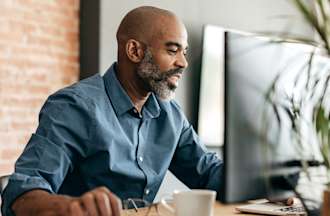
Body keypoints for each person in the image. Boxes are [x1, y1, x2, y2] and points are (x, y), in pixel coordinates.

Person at [1, 6, 223, 216]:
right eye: (173, 50)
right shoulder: (74, 107)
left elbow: (209, 174)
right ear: (134, 51)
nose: (183, 62)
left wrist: (254, 173)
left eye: (184, 52)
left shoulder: (170, 115)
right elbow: (20, 194)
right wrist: (72, 207)